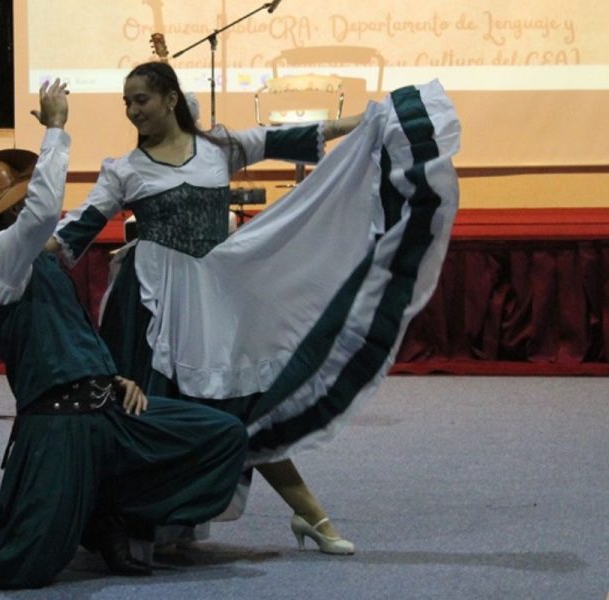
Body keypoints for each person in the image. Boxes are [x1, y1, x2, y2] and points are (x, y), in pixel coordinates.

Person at [47, 61, 460, 555]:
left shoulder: (221, 148)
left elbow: (303, 134)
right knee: (145, 417)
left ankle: (312, 516)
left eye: (142, 99)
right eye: (127, 102)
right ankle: (145, 526)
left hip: (213, 303)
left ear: (171, 99)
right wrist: (19, 246)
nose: (133, 110)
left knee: (238, 411)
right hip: (149, 310)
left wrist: (373, 120)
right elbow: (74, 234)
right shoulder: (124, 170)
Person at [0, 79, 248, 590]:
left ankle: (107, 518)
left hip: (108, 411)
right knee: (21, 560)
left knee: (220, 437)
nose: (26, 198)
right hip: (58, 426)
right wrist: (56, 129)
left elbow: (71, 332)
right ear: (7, 212)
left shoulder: (34, 261)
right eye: (19, 195)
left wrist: (116, 376)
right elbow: (43, 213)